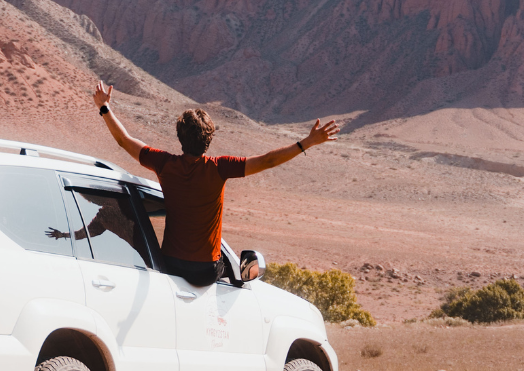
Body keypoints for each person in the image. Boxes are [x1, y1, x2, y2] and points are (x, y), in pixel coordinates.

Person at [92, 81, 339, 286]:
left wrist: (104, 107)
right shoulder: (220, 167)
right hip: (205, 271)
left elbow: (124, 140)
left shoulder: (164, 163)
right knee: (233, 271)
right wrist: (307, 142)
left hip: (170, 265)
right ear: (209, 139)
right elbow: (268, 160)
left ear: (180, 136)